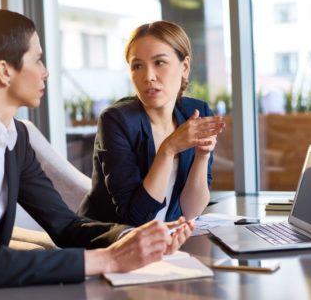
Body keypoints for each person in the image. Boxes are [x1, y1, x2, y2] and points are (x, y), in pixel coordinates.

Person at [0, 10, 194, 299]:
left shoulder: (16, 138)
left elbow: (65, 226)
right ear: (4, 71)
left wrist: (134, 237)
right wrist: (109, 259)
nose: (46, 71)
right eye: (38, 59)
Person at [78, 21, 225, 226]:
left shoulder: (195, 113)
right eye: (137, 66)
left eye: (160, 62)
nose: (148, 77)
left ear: (185, 67)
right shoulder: (116, 121)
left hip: (166, 239)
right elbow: (135, 218)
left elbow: (191, 211)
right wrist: (168, 148)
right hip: (112, 244)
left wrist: (202, 156)